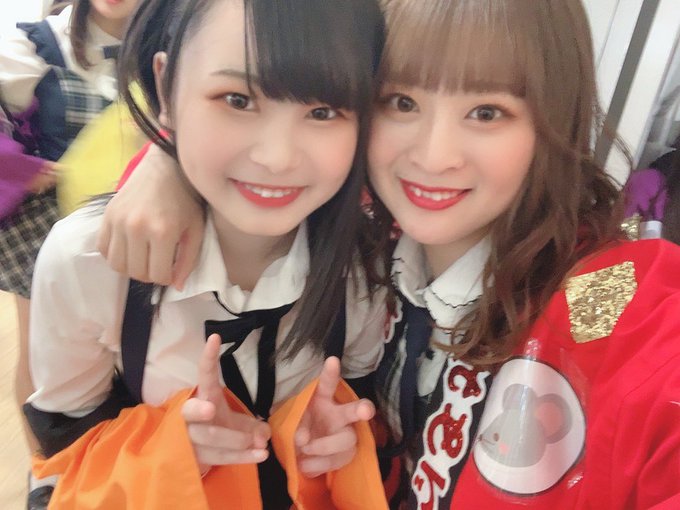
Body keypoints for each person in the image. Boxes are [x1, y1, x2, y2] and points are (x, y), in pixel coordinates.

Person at [98, 1, 680, 508]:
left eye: (487, 112)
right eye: (401, 102)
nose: (433, 156)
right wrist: (165, 159)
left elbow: (647, 349)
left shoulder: (600, 294)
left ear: (554, 117)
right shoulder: (361, 232)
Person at [25, 0, 389, 508]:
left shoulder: (367, 264)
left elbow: (363, 399)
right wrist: (168, 452)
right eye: (237, 99)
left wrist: (341, 439)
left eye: (322, 112)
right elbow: (66, 447)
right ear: (165, 86)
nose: (277, 157)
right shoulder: (88, 260)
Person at [0, 1, 138, 506]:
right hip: (48, 233)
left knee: (130, 357)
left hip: (139, 228)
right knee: (45, 360)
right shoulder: (32, 46)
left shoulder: (181, 42)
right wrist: (20, 166)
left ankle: (114, 469)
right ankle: (49, 471)